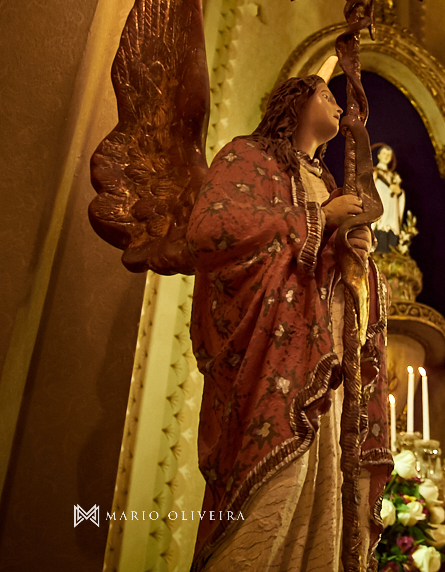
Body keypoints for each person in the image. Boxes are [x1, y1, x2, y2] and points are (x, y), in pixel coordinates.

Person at [187, 73, 392, 571]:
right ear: (294, 104)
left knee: (324, 498)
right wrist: (321, 219)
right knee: (276, 494)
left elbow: (338, 275)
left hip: (330, 365)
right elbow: (212, 228)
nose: (337, 105)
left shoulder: (327, 180)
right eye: (325, 94)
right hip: (274, 360)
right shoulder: (248, 157)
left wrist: (357, 257)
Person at [371, 144, 406, 253]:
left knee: (391, 239)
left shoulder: (394, 176)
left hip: (391, 212)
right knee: (379, 236)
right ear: (379, 155)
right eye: (384, 154)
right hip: (380, 209)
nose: (386, 156)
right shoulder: (374, 172)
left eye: (389, 155)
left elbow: (399, 194)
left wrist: (399, 192)